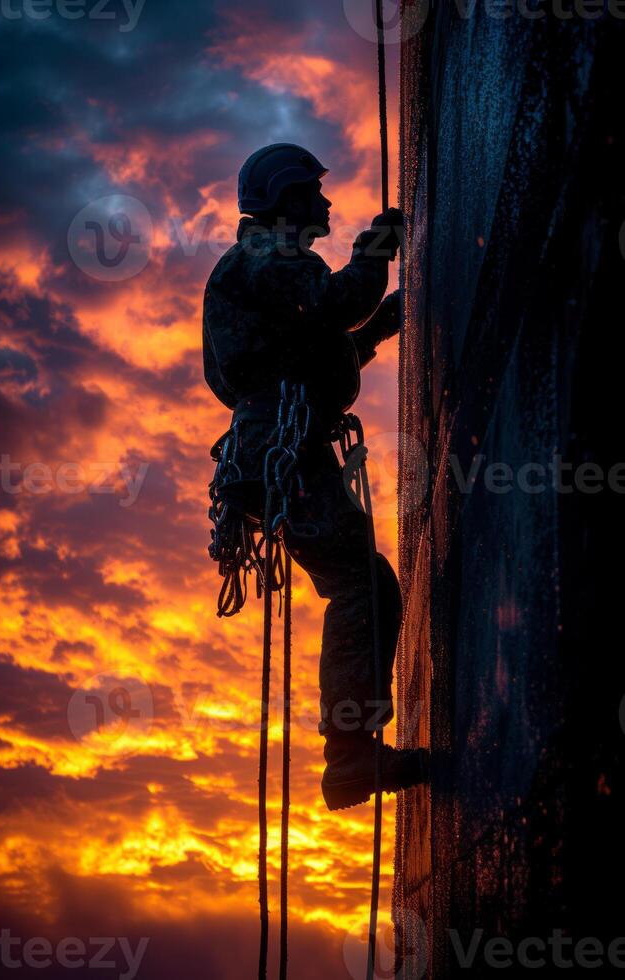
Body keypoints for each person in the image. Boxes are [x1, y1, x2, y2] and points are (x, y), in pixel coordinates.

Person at [203, 143, 428, 810]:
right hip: (285, 452)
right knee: (359, 581)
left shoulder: (263, 271)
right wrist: (376, 251)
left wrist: (384, 324)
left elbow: (316, 351)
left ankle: (352, 753)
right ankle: (350, 757)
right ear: (285, 201)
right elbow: (335, 305)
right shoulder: (267, 255)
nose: (325, 204)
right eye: (313, 193)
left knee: (363, 581)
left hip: (284, 447)